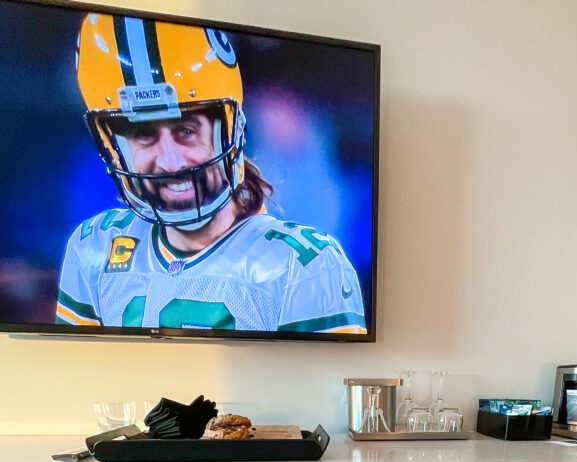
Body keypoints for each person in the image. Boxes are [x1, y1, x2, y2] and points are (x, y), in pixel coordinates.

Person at [56, 14, 367, 335]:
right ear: (112, 142)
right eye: (144, 135)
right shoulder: (93, 246)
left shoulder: (307, 265)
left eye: (187, 130)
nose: (170, 161)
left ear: (231, 127)